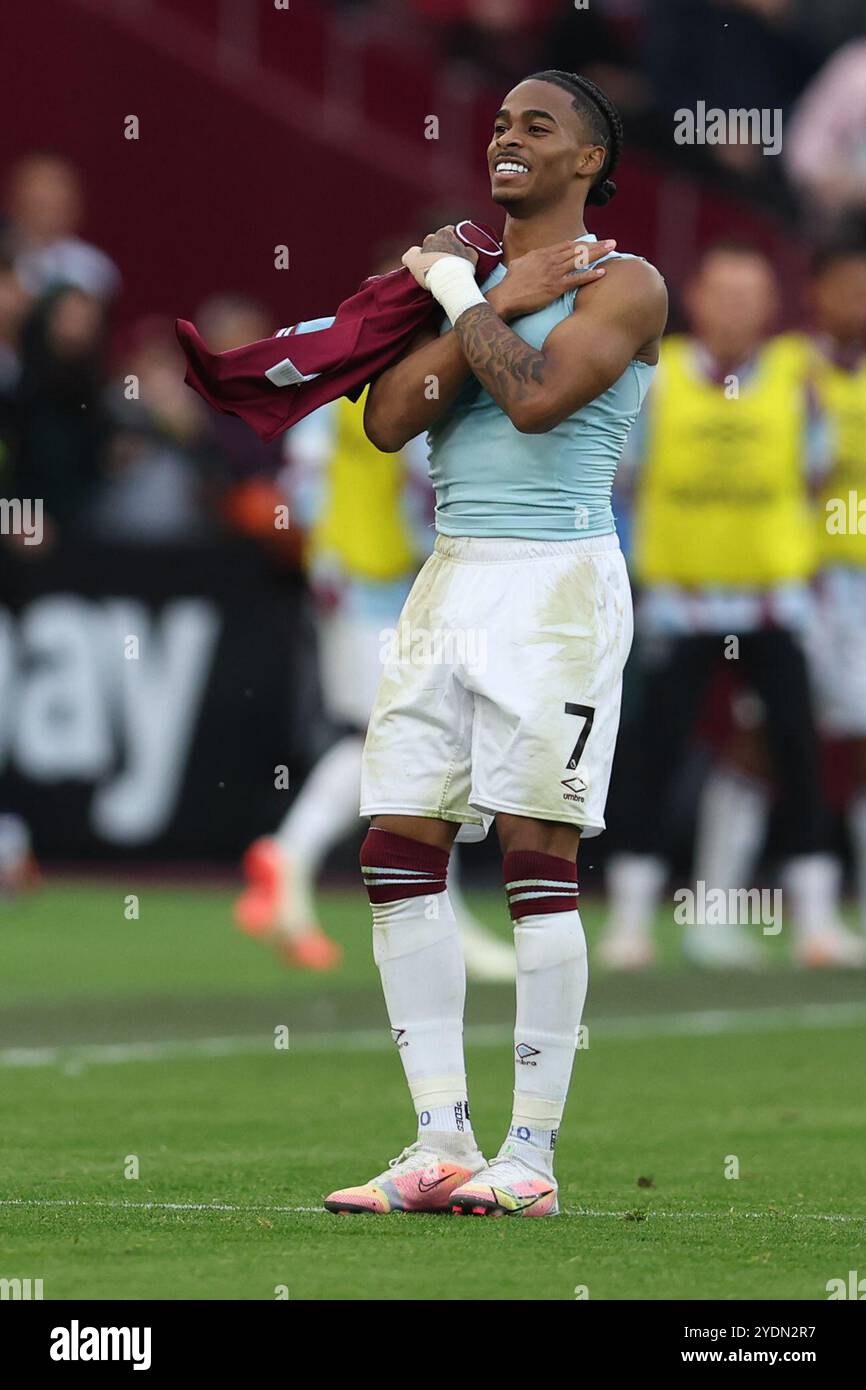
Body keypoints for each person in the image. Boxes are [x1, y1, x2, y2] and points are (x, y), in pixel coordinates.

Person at [323, 69, 667, 1217]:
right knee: (393, 844)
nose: (506, 136)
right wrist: (489, 288)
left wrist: (476, 292)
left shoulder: (626, 283)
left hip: (557, 582)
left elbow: (528, 400)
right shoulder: (468, 272)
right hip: (450, 576)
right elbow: (384, 419)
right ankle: (435, 1138)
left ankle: (531, 1153)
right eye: (501, 121)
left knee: (533, 847)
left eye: (539, 125)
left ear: (586, 161)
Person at [599, 242, 865, 971]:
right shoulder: (653, 381)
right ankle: (629, 924)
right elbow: (619, 481)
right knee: (655, 757)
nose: (738, 308)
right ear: (697, 297)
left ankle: (816, 922)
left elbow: (818, 477)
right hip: (681, 606)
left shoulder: (798, 380)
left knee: (800, 755)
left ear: (772, 305)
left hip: (773, 603)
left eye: (753, 295)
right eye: (725, 293)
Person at [234, 385, 516, 980]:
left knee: (386, 741)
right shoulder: (423, 378)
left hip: (370, 586)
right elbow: (428, 492)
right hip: (380, 588)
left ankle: (287, 859)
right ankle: (436, 914)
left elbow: (303, 482)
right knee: (414, 744)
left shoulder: (341, 380)